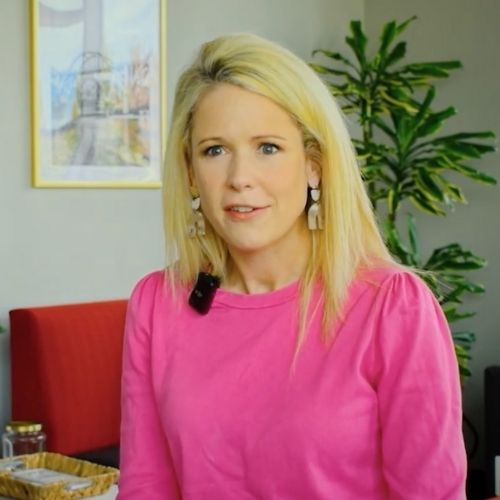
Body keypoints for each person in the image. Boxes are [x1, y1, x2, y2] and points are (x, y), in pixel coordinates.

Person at [117, 33, 467, 499]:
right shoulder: (157, 303)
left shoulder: (392, 307)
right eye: (215, 150)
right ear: (190, 173)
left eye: (268, 147)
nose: (240, 178)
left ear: (314, 165)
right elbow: (146, 487)